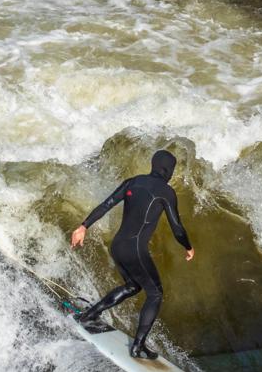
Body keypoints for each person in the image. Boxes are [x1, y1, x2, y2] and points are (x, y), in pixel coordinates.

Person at [68, 149, 194, 360]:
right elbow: (177, 227)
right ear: (168, 170)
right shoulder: (166, 192)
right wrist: (188, 246)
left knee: (133, 286)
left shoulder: (133, 182)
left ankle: (90, 315)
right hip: (135, 249)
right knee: (155, 294)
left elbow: (106, 204)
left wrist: (83, 226)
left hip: (117, 246)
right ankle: (138, 346)